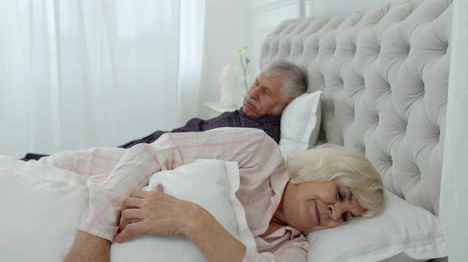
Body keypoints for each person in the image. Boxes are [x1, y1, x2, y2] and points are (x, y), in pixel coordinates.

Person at [52, 127, 384, 262]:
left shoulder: (291, 246)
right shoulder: (259, 152)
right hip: (81, 183)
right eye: (340, 194)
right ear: (321, 170)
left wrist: (192, 220)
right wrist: (92, 236)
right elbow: (154, 153)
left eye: (346, 216)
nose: (334, 212)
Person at [21, 60, 307, 161]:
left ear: (287, 105)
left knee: (91, 160)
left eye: (265, 92)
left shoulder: (258, 137)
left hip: (163, 152)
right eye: (255, 83)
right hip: (165, 140)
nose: (252, 93)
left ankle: (36, 163)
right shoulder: (253, 115)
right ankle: (40, 162)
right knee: (95, 154)